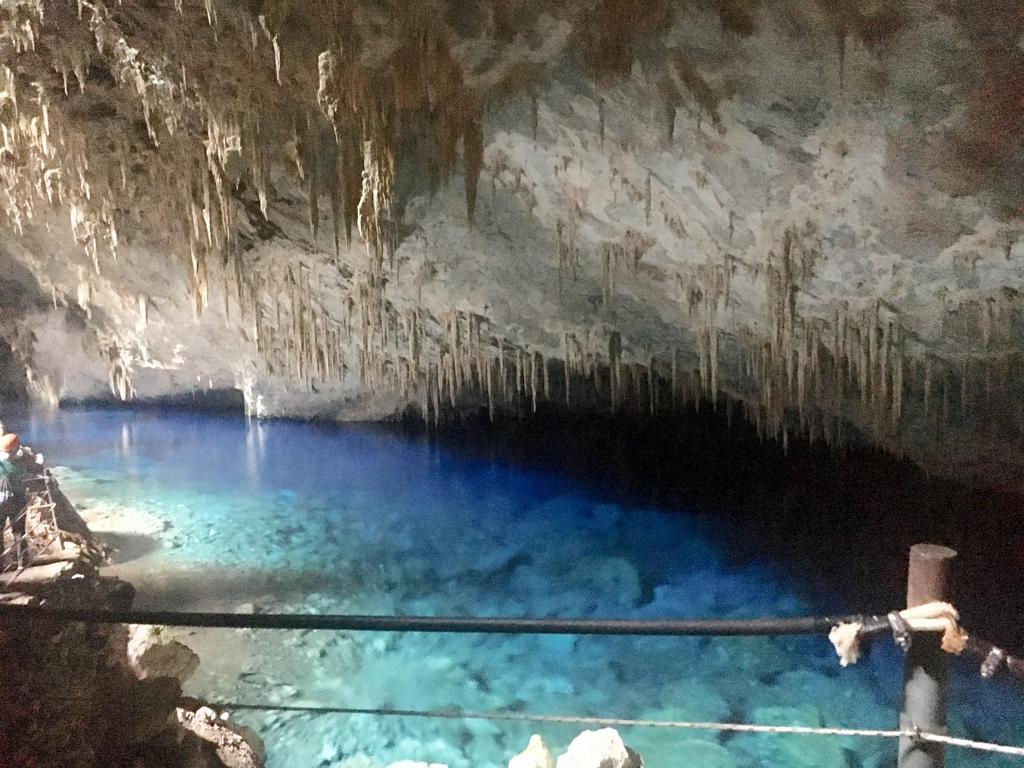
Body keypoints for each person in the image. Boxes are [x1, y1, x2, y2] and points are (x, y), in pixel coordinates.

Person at [0, 433, 28, 570]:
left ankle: (0, 564)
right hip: (18, 500)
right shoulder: (20, 466)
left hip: (2, 503)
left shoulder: (2, 464)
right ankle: (21, 562)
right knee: (19, 532)